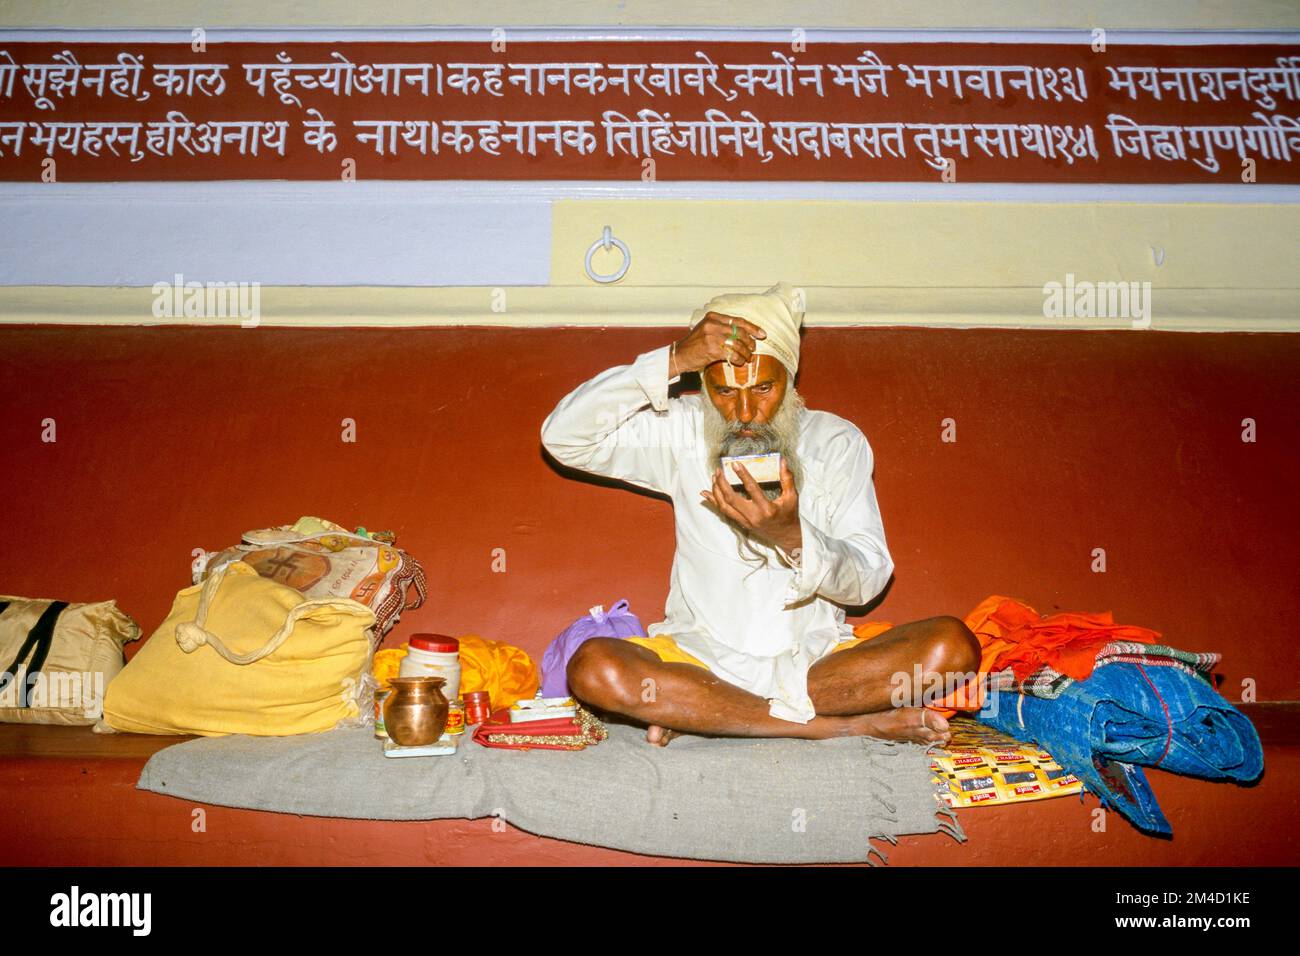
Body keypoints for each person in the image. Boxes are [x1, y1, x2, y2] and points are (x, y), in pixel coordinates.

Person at [540, 282, 980, 747]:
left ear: (789, 379)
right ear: (703, 385)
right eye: (724, 391)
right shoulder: (682, 431)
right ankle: (837, 726)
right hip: (699, 660)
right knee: (595, 668)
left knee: (951, 647)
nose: (745, 412)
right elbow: (563, 438)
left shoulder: (835, 441)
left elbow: (868, 580)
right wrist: (672, 359)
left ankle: (707, 713)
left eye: (764, 388)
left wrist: (791, 535)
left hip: (817, 665)